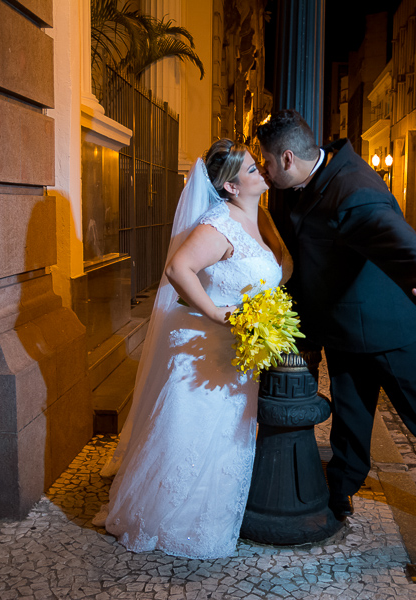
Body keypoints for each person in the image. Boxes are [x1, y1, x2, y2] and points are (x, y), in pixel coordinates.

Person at [256, 109, 416, 520]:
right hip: (343, 324)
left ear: (288, 158)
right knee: (351, 414)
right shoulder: (295, 185)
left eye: (267, 161)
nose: (264, 169)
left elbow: (386, 229)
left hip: (389, 325)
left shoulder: (354, 185)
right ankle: (341, 488)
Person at [92, 139, 291, 559]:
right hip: (205, 347)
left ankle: (211, 516)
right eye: (253, 170)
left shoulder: (261, 220)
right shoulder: (218, 225)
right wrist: (219, 314)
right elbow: (177, 268)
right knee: (192, 432)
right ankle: (161, 518)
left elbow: (274, 269)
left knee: (226, 437)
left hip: (240, 349)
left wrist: (264, 313)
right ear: (232, 187)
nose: (262, 173)